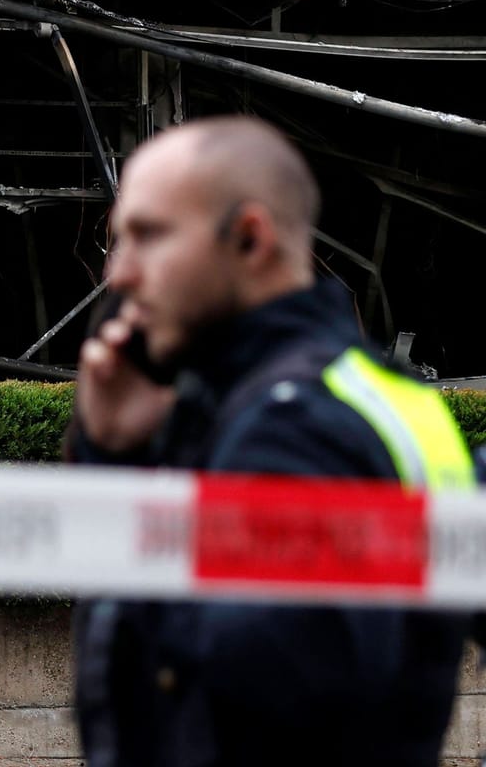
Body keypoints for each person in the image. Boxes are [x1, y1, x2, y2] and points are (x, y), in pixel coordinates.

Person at [69, 116, 473, 767]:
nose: (119, 275)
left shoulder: (291, 428)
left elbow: (245, 702)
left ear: (250, 238)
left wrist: (130, 481)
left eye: (148, 236)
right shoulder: (372, 393)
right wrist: (128, 452)